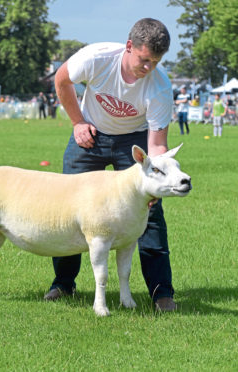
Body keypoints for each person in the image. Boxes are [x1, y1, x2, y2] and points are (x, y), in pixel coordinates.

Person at [44, 18, 177, 312]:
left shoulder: (160, 87)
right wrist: (78, 122)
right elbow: (61, 79)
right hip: (90, 134)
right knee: (69, 208)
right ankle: (63, 284)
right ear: (129, 47)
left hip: (135, 143)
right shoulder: (96, 58)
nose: (148, 68)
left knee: (151, 215)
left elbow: (156, 145)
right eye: (144, 60)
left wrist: (157, 180)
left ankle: (161, 293)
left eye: (155, 62)